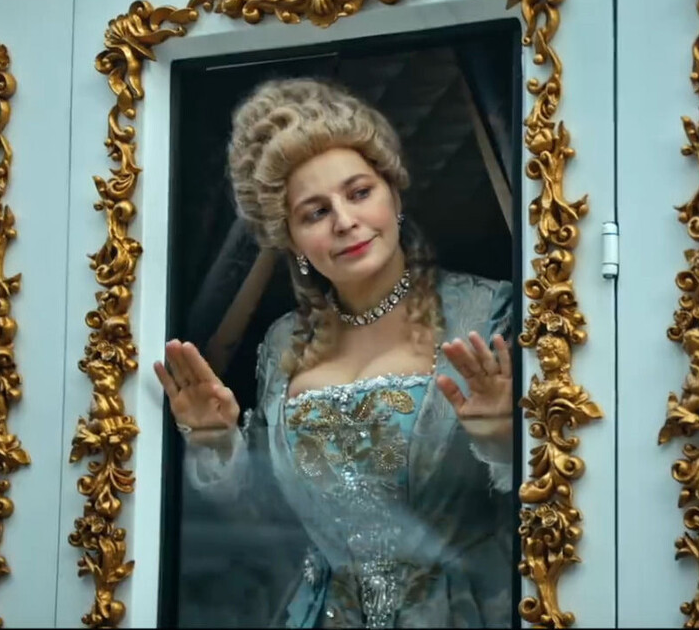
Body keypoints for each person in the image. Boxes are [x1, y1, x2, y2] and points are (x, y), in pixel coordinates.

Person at [153, 77, 515, 628]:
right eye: (315, 212)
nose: (345, 220)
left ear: (394, 197)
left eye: (359, 192)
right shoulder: (282, 345)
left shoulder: (488, 312)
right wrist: (215, 441)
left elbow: (555, 497)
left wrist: (503, 438)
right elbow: (259, 524)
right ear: (293, 241)